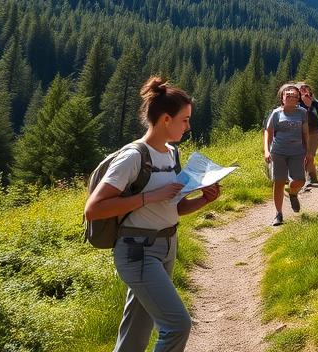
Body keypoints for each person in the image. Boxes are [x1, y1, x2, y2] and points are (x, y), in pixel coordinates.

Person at [85, 76, 221, 352]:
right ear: (165, 120)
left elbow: (174, 207)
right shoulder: (133, 157)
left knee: (137, 328)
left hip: (167, 246)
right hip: (138, 251)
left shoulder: (171, 154)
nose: (188, 126)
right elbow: (93, 209)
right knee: (178, 325)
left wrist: (204, 200)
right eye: (184, 120)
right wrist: (148, 197)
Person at [264, 83, 309, 226]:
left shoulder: (302, 113)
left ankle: (293, 192)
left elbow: (305, 133)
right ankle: (278, 214)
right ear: (282, 97)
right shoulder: (276, 113)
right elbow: (268, 132)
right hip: (278, 152)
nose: (290, 98)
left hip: (297, 152)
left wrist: (308, 152)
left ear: (298, 99)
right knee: (278, 182)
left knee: (300, 180)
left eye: (294, 96)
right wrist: (266, 150)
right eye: (287, 95)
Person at [299, 82, 318, 184]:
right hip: (302, 132)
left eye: (306, 89)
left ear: (310, 91)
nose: (304, 91)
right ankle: (312, 177)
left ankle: (302, 179)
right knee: (304, 155)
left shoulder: (316, 103)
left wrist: (309, 107)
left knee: (309, 155)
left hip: (316, 131)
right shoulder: (297, 103)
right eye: (301, 89)